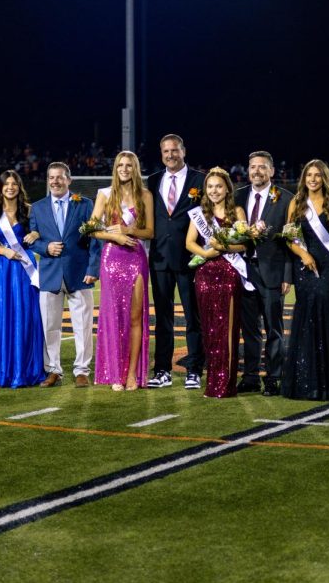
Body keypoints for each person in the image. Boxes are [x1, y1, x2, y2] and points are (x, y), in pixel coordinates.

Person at [281, 160, 329, 401]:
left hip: (328, 266)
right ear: (304, 178)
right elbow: (289, 237)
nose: (312, 179)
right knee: (306, 316)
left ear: (324, 178)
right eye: (309, 175)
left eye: (317, 175)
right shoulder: (296, 202)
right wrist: (303, 254)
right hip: (304, 265)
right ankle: (306, 381)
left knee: (326, 310)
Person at [26, 162, 101, 388]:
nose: (55, 181)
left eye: (60, 177)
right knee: (50, 326)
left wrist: (93, 269)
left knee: (83, 326)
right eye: (51, 177)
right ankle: (54, 370)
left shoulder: (85, 204)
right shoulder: (37, 208)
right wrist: (45, 248)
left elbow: (95, 239)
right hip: (49, 274)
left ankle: (82, 370)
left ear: (69, 180)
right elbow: (31, 241)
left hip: (79, 274)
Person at [146, 134, 206, 390]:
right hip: (159, 258)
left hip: (189, 258)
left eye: (174, 150)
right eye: (165, 151)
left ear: (184, 150)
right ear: (161, 153)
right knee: (163, 318)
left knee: (194, 317)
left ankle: (194, 368)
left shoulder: (200, 180)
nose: (170, 155)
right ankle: (162, 369)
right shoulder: (153, 180)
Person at [90, 151, 155, 391]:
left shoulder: (145, 196)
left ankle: (131, 375)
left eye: (129, 165)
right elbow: (92, 229)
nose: (125, 169)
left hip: (136, 258)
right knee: (114, 317)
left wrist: (129, 232)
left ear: (135, 169)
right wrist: (114, 234)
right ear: (115, 169)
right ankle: (115, 373)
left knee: (136, 317)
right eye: (120, 165)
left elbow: (150, 232)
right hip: (111, 258)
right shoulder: (105, 195)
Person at [184, 167, 250, 398]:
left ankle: (226, 384)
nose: (214, 190)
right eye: (210, 186)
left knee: (228, 329)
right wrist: (207, 253)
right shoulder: (199, 213)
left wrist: (224, 248)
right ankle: (212, 382)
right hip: (205, 275)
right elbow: (189, 243)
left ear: (227, 189)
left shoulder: (237, 212)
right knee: (210, 330)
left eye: (219, 186)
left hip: (230, 274)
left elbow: (245, 245)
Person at [0, 170, 46, 388]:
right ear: (0, 187)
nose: (10, 187)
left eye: (14, 183)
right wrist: (2, 251)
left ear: (19, 186)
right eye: (6, 184)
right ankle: (2, 370)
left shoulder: (29, 210)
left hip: (25, 271)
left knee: (25, 317)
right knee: (2, 315)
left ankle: (25, 369)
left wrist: (36, 234)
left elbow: (42, 233)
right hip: (1, 270)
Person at [234, 151, 293, 397]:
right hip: (245, 270)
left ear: (271, 171)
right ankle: (250, 377)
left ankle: (273, 377)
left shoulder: (286, 198)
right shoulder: (238, 196)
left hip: (273, 272)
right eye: (252, 167)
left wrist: (288, 276)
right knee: (249, 330)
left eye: (261, 167)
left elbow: (291, 239)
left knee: (273, 329)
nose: (256, 171)